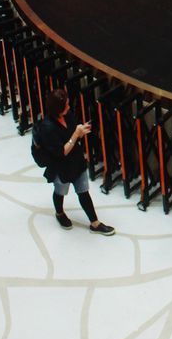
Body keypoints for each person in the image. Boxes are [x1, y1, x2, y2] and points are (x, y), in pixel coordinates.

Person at [33, 89, 116, 235]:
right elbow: (61, 152)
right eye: (66, 105)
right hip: (61, 166)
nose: (69, 107)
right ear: (58, 108)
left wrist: (80, 132)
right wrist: (76, 134)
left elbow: (73, 135)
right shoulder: (48, 128)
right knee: (60, 192)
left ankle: (95, 223)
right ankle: (59, 213)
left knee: (83, 192)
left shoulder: (68, 116)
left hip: (76, 161)